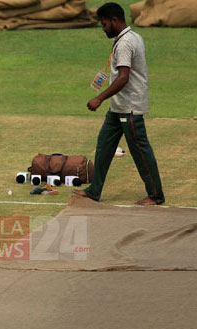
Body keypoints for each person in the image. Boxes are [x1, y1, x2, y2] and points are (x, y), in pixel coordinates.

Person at [73, 2, 164, 206]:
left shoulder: (125, 43)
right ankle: (94, 190)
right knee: (104, 146)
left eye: (104, 24)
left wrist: (99, 98)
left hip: (130, 108)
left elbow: (123, 77)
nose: (103, 28)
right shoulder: (131, 37)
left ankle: (156, 195)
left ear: (115, 20)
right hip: (118, 107)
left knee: (141, 151)